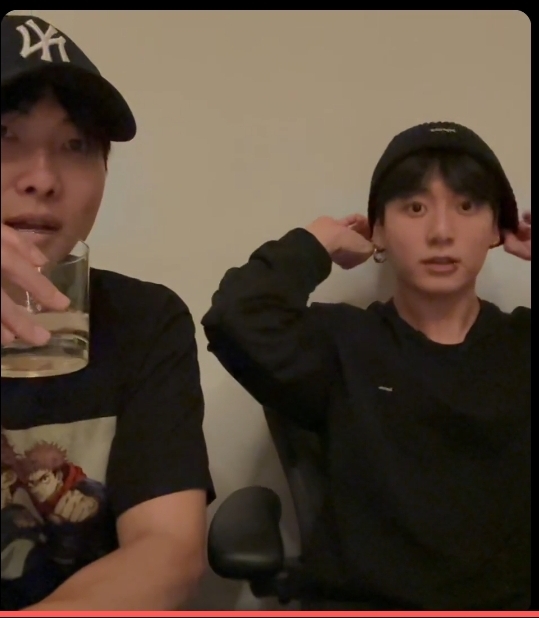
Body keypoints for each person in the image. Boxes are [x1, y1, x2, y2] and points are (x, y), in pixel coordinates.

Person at [202, 121, 531, 610]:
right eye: (414, 207)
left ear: (496, 230)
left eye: (467, 207)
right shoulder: (342, 343)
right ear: (378, 229)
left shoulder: (521, 345)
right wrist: (315, 242)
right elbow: (234, 317)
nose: (441, 232)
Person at [1, 14, 214, 611]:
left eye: (75, 146)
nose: (42, 179)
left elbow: (167, 551)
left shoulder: (144, 320)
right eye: (4, 134)